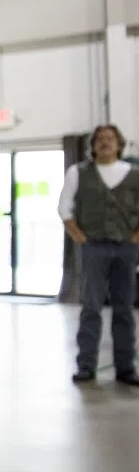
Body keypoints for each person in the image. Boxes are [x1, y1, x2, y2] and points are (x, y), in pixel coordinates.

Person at [58, 124, 139, 385]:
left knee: (124, 308)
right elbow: (64, 207)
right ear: (93, 145)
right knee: (91, 307)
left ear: (119, 143)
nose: (105, 142)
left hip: (126, 247)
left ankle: (126, 367)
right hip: (93, 247)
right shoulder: (78, 172)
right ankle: (86, 366)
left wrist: (135, 237)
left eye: (110, 138)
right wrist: (80, 238)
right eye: (100, 139)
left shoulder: (134, 173)